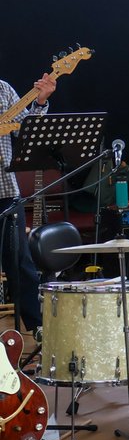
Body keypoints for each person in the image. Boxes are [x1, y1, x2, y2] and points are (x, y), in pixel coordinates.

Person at [0, 71, 55, 335]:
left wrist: (41, 102)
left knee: (20, 263)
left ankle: (40, 329)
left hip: (6, 193)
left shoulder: (3, 89)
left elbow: (30, 130)